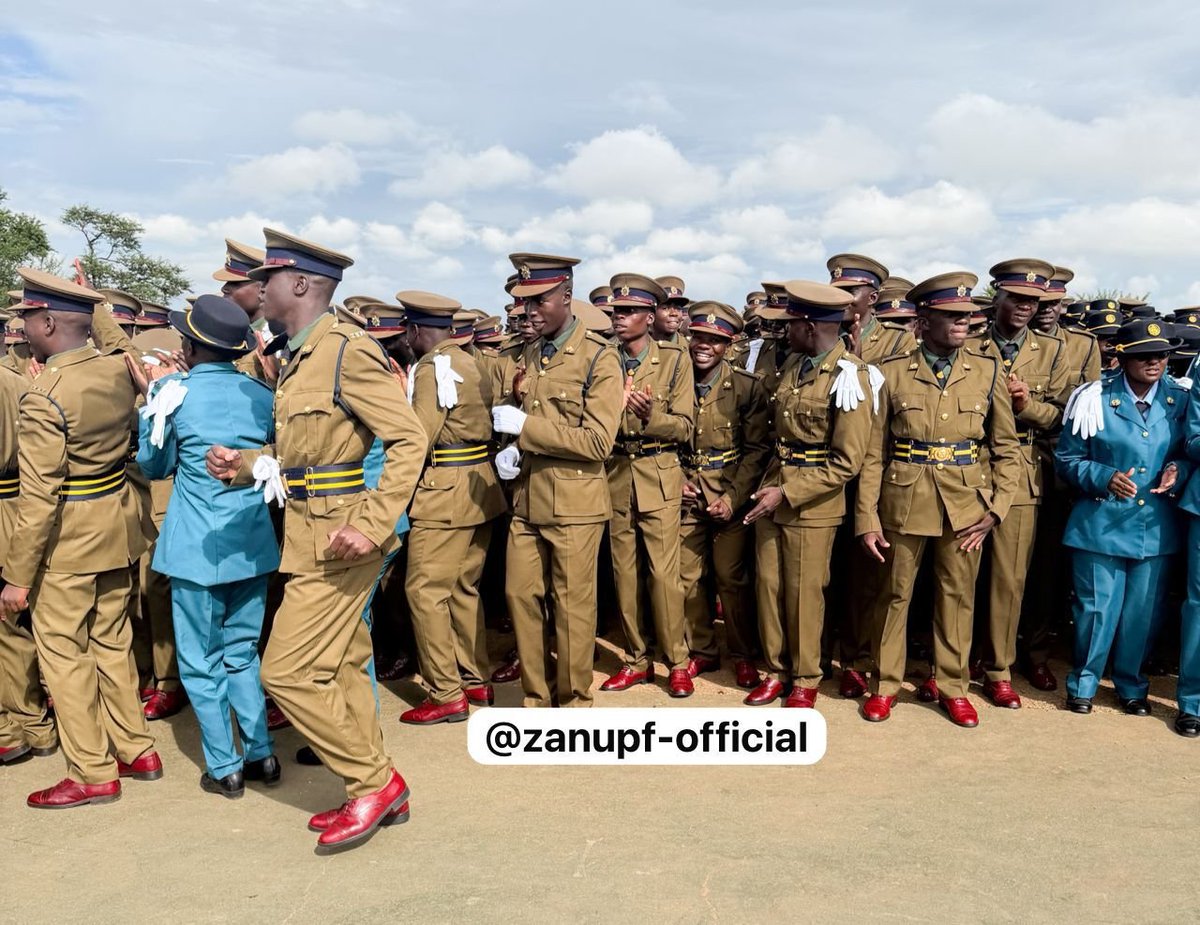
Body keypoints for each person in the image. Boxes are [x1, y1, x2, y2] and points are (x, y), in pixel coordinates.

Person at [206, 228, 426, 853]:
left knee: (287, 671)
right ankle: (373, 788)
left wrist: (373, 522)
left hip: (345, 537)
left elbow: (409, 439)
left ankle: (373, 782)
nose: (258, 288)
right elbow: (307, 454)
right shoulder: (301, 352)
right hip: (311, 533)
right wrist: (247, 463)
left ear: (299, 284)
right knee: (342, 666)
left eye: (267, 278)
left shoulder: (345, 350)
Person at [2, 268, 161, 808]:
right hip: (116, 527)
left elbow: (39, 496)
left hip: (69, 541)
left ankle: (92, 772)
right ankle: (137, 748)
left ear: (48, 321)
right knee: (112, 641)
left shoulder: (44, 393)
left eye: (27, 317)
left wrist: (17, 578)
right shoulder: (116, 369)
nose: (23, 327)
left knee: (63, 653)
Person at [856, 272, 1022, 727]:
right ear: (923, 319)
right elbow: (874, 452)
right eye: (952, 316)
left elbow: (1006, 448)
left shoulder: (987, 371)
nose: (963, 323)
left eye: (967, 316)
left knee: (957, 595)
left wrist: (996, 509)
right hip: (904, 499)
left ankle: (952, 685)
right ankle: (885, 683)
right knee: (894, 595)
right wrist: (867, 517)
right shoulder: (890, 372)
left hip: (966, 505)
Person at [132, 295, 280, 799]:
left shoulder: (171, 391)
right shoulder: (262, 394)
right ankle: (261, 754)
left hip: (197, 543)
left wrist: (151, 406)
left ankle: (225, 766)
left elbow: (153, 466)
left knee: (200, 657)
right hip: (253, 540)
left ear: (191, 345)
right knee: (243, 651)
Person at [491, 252, 622, 708]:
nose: (529, 311)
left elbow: (598, 442)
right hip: (527, 499)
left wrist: (526, 432)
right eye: (524, 302)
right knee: (520, 596)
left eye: (539, 300)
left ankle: (572, 704)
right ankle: (534, 697)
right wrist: (513, 447)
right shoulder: (529, 351)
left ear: (566, 296)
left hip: (574, 503)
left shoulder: (599, 357)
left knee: (571, 607)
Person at [742, 281, 876, 708]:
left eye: (791, 324)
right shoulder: (795, 367)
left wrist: (786, 492)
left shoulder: (849, 377)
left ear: (810, 326)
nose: (783, 332)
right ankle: (777, 669)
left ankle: (805, 676)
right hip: (773, 490)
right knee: (768, 586)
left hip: (811, 503)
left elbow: (846, 461)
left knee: (804, 592)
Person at [1056, 318, 1190, 716]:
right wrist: (1103, 476)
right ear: (1122, 357)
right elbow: (1066, 459)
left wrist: (1179, 469)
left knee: (1142, 615)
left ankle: (1132, 684)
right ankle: (1084, 682)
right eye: (1144, 356)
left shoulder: (1180, 400)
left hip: (1156, 526)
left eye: (1162, 355)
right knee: (1097, 609)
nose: (1155, 363)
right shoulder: (1094, 397)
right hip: (1101, 524)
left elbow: (1188, 449)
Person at [964, 258, 1069, 710]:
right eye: (1017, 299)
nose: (1026, 307)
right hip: (968, 470)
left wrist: (1028, 405)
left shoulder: (1053, 350)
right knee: (961, 574)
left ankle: (999, 668)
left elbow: (1066, 416)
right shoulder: (970, 344)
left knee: (1010, 578)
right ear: (997, 300)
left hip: (1024, 471)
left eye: (1033, 301)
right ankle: (957, 660)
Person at [397, 290, 506, 724]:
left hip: (444, 490)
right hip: (479, 486)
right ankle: (472, 675)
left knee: (423, 591)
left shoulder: (432, 368)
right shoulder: (471, 361)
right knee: (463, 587)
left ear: (418, 330)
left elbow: (419, 436)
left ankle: (445, 692)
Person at [598, 274, 695, 698]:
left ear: (650, 315)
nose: (620, 319)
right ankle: (637, 658)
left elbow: (686, 426)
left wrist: (648, 415)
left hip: (658, 471)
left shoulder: (676, 359)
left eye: (629, 312)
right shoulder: (603, 359)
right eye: (616, 312)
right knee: (625, 573)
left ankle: (676, 661)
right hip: (616, 472)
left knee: (663, 574)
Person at [679, 301, 770, 690]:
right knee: (688, 578)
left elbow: (757, 451)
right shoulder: (675, 383)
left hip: (731, 492)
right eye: (699, 337)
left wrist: (733, 498)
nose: (704, 345)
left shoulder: (747, 388)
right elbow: (665, 441)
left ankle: (742, 653)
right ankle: (700, 649)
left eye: (714, 340)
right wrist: (676, 480)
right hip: (686, 492)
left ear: (728, 344)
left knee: (731, 578)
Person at [1020, 267, 1102, 691]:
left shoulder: (1083, 346)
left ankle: (1034, 653)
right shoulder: (1007, 343)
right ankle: (983, 652)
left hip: (1055, 467)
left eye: (1056, 303)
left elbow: (1083, 413)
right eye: (1040, 303)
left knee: (1044, 569)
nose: (1048, 311)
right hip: (1007, 462)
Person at [0, 355, 58, 765]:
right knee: (16, 625)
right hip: (19, 508)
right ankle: (33, 726)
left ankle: (10, 727)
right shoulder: (21, 383)